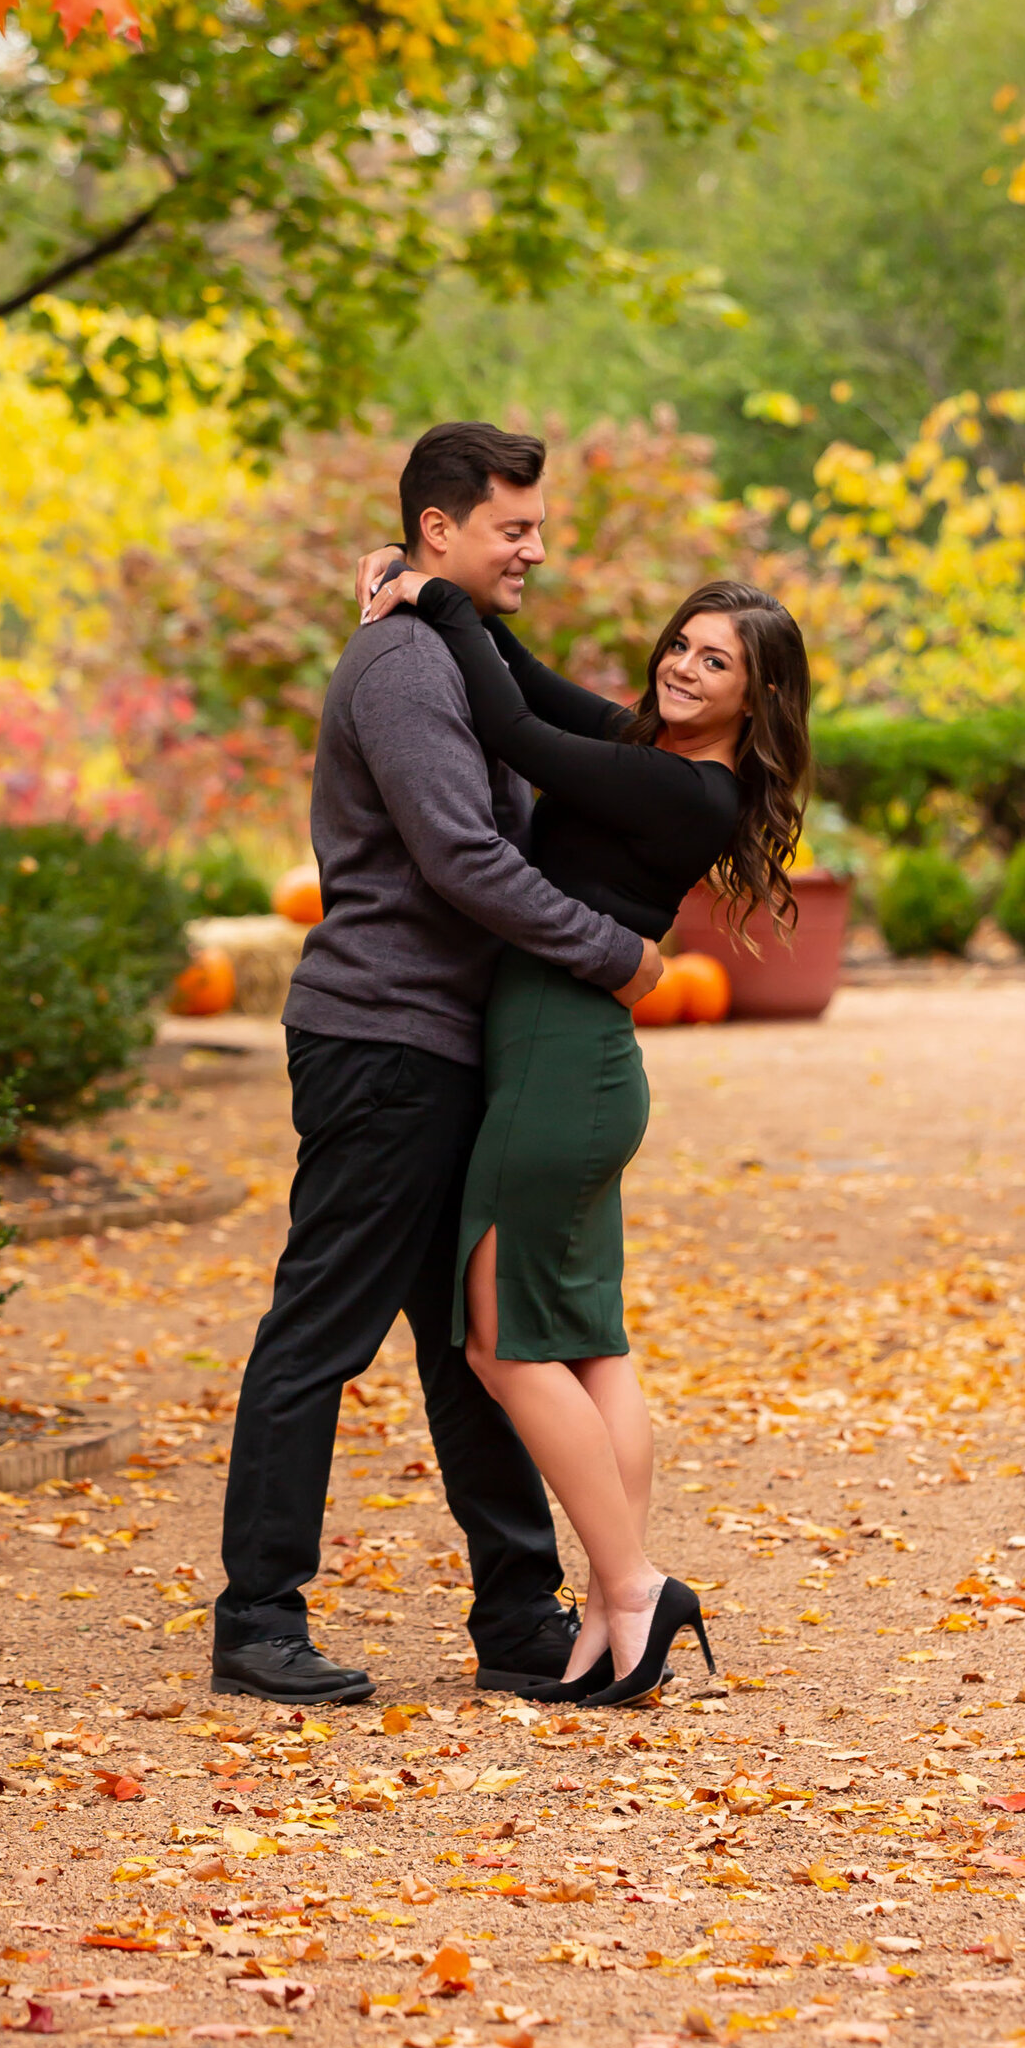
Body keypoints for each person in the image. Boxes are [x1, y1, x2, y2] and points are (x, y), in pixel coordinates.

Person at [212, 424, 664, 1710]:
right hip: (383, 1042)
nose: (535, 547)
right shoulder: (404, 666)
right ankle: (257, 1617)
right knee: (322, 1328)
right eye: (512, 528)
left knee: (474, 1342)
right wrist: (612, 954)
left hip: (450, 1047)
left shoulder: (445, 646)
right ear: (437, 530)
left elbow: (545, 730)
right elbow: (463, 856)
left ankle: (519, 1615)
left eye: (536, 525)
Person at [361, 556, 811, 1704]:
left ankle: (630, 1583)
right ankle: (621, 1612)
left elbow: (511, 728)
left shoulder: (683, 791)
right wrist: (438, 587)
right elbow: (536, 679)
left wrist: (441, 604)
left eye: (718, 663)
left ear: (756, 701)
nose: (685, 667)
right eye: (682, 644)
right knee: (589, 1343)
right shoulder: (653, 755)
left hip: (559, 1061)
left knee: (501, 1346)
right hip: (579, 1063)